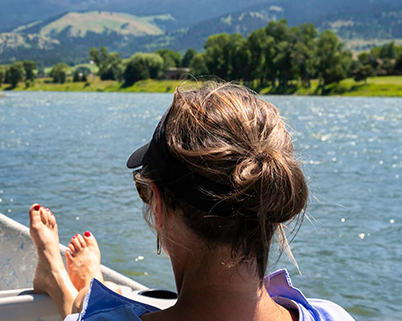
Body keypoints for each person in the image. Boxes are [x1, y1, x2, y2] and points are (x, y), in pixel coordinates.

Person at [28, 82, 355, 321]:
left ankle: (67, 281)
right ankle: (75, 283)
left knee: (82, 306)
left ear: (158, 204)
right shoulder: (331, 316)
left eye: (144, 192)